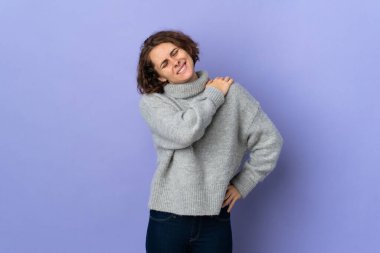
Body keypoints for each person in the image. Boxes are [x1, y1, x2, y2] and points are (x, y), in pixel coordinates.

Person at [137, 30, 283, 253]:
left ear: (186, 49)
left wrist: (243, 183)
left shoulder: (233, 95)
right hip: (168, 219)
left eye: (175, 52)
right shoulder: (154, 103)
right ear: (160, 77)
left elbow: (271, 141)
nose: (175, 62)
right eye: (165, 64)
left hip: (215, 220)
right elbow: (185, 132)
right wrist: (214, 96)